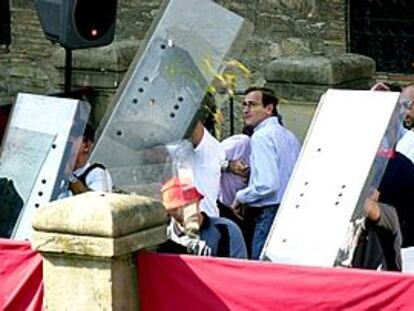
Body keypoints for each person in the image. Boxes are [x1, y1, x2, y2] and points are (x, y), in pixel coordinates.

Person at [232, 86, 301, 259]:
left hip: (267, 212)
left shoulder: (261, 136)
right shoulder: (289, 136)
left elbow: (267, 184)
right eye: (244, 104)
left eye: (252, 105)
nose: (246, 109)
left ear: (269, 109)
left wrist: (241, 196)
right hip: (289, 210)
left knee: (261, 266)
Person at [157, 177, 247, 259]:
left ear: (198, 202)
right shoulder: (163, 236)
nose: (183, 211)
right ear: (168, 212)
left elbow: (239, 270)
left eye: (188, 204)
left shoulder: (226, 230)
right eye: (175, 208)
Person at [63, 123, 113, 197]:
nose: (68, 140)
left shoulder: (98, 173)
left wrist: (69, 176)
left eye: (74, 137)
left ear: (87, 145)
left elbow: (97, 201)